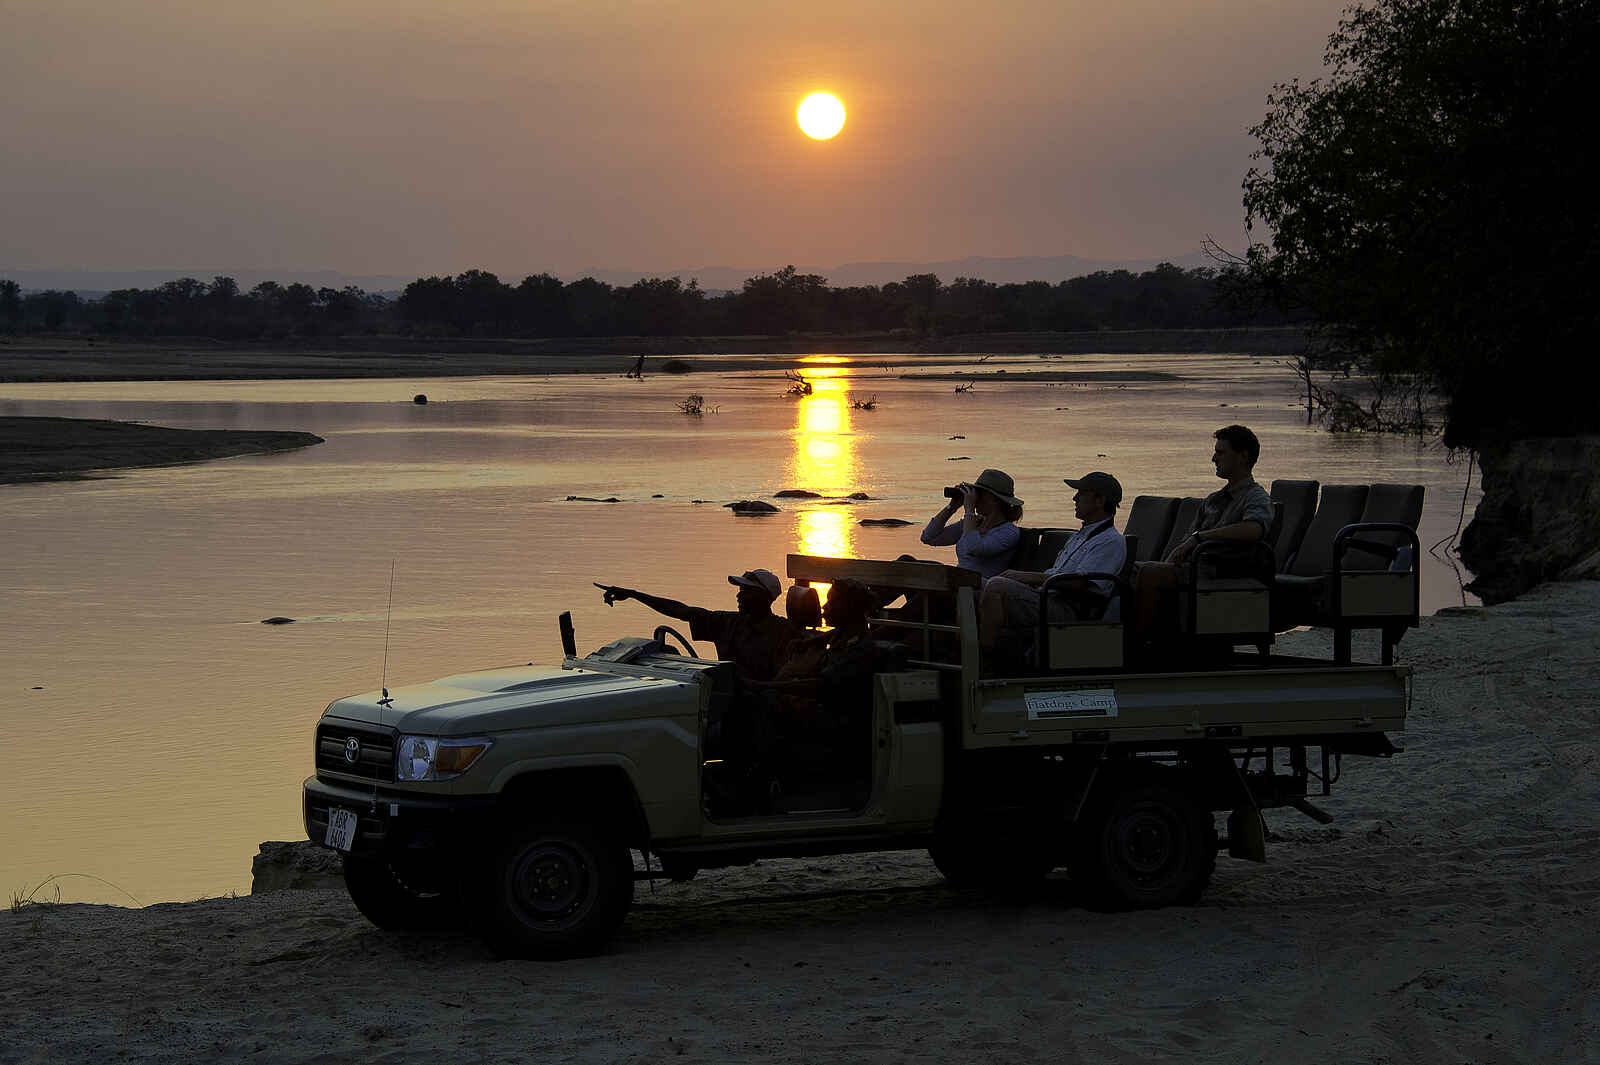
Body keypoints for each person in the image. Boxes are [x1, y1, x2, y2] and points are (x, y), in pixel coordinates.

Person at [1132, 424, 1274, 639]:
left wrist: (1202, 537)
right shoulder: (1213, 499)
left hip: (1221, 572)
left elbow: (1254, 529)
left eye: (1220, 452)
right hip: (1194, 569)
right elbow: (1186, 541)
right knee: (1130, 570)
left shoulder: (1256, 496)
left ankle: (1140, 644)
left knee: (1150, 572)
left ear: (1243, 456)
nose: (1213, 459)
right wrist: (1173, 559)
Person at [978, 471, 1127, 651]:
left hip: (1068, 609)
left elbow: (1085, 586)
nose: (1075, 498)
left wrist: (1028, 577)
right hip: (1047, 597)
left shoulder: (1110, 541)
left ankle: (983, 656)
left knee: (996, 586)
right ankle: (956, 647)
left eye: (1081, 494)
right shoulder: (1080, 536)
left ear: (1100, 500)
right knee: (972, 584)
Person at [593, 568, 795, 683]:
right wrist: (633, 594)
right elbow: (681, 610)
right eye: (740, 590)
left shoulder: (784, 632)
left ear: (764, 597)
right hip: (723, 698)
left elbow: (783, 680)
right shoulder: (726, 622)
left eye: (746, 591)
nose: (738, 595)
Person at [919, 468, 1024, 580]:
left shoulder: (1008, 531)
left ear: (995, 500)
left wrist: (969, 510)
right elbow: (929, 537)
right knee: (906, 561)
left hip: (978, 587)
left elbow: (973, 548)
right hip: (957, 581)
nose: (975, 498)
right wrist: (952, 507)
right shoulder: (974, 523)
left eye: (980, 494)